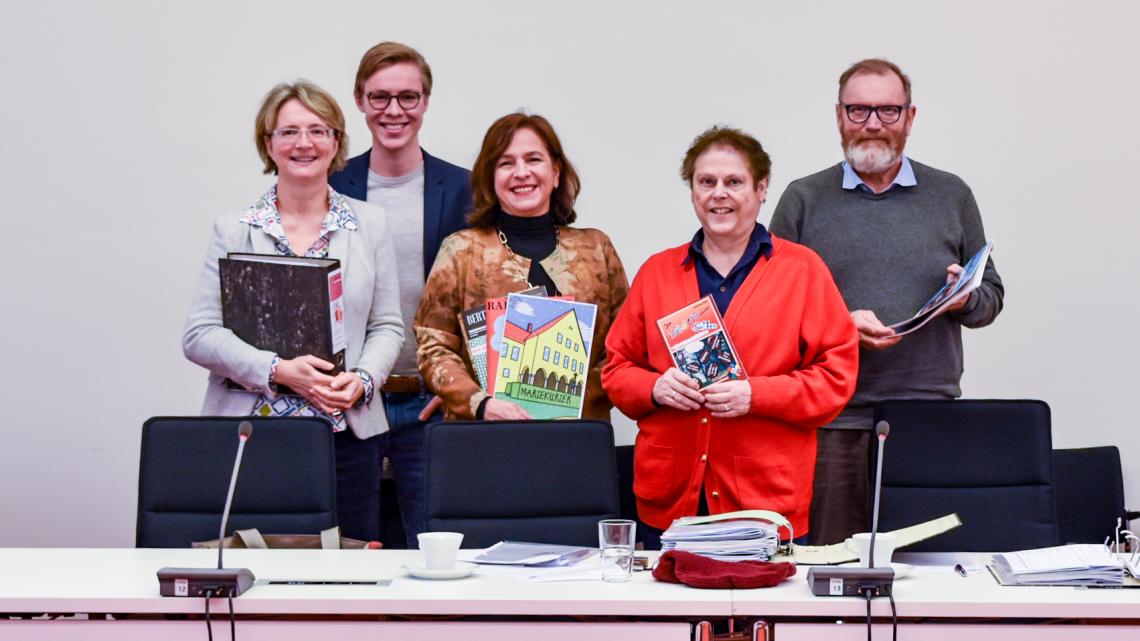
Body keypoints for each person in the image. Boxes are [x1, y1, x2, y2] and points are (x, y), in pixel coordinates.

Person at [769, 58, 1005, 545]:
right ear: (838, 116)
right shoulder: (803, 199)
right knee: (831, 574)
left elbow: (991, 298)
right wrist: (838, 325)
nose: (873, 123)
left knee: (933, 576)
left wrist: (963, 300)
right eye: (858, 110)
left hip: (927, 415)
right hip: (833, 418)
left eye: (888, 111)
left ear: (910, 117)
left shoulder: (952, 194)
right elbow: (769, 311)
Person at [602, 127, 859, 548]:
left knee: (767, 613)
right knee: (672, 612)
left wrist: (756, 395)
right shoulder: (657, 273)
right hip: (670, 501)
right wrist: (655, 387)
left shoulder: (803, 272)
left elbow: (836, 378)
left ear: (761, 190)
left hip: (766, 502)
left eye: (734, 182)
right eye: (707, 182)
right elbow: (616, 370)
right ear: (692, 192)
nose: (719, 194)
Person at [183, 80, 403, 542]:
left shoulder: (371, 225)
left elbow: (386, 326)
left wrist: (362, 380)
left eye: (318, 130)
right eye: (289, 132)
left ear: (336, 142)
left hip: (348, 437)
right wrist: (280, 370)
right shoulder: (234, 230)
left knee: (350, 584)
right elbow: (199, 334)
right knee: (254, 580)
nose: (304, 143)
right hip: (252, 436)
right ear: (269, 144)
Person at [328, 42, 472, 548]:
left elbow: (485, 298)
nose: (394, 111)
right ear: (359, 101)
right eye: (380, 97)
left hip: (429, 400)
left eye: (408, 97)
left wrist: (457, 387)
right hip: (347, 402)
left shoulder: (464, 189)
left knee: (434, 553)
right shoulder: (332, 186)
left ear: (426, 102)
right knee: (351, 554)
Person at [415, 113, 629, 421]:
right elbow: (432, 345)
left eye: (533, 159)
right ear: (490, 177)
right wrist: (479, 402)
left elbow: (624, 347)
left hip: (578, 438)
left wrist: (572, 398)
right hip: (485, 439)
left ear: (556, 173)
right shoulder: (461, 251)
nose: (521, 172)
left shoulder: (596, 249)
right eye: (505, 163)